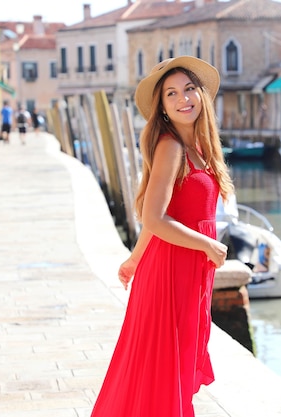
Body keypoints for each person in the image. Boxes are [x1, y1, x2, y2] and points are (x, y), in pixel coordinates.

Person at [90, 56, 234, 417]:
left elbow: (164, 218)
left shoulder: (201, 150)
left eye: (188, 89)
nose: (183, 98)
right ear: (164, 107)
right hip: (172, 271)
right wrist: (208, 244)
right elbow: (154, 217)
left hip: (186, 269)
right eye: (172, 94)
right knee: (164, 367)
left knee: (176, 363)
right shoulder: (171, 147)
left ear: (201, 95)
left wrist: (134, 259)